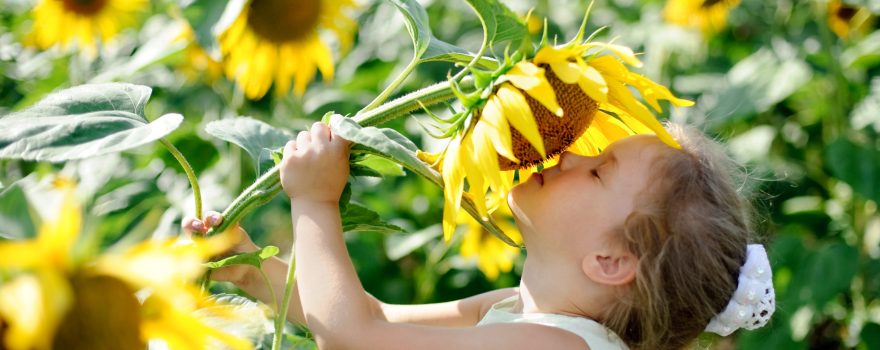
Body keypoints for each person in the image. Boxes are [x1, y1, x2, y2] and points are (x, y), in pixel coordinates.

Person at [183, 117, 775, 350]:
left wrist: (313, 200)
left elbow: (351, 336)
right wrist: (253, 272)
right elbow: (377, 318)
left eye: (597, 170)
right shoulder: (520, 311)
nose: (568, 155)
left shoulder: (557, 348)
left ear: (610, 260)